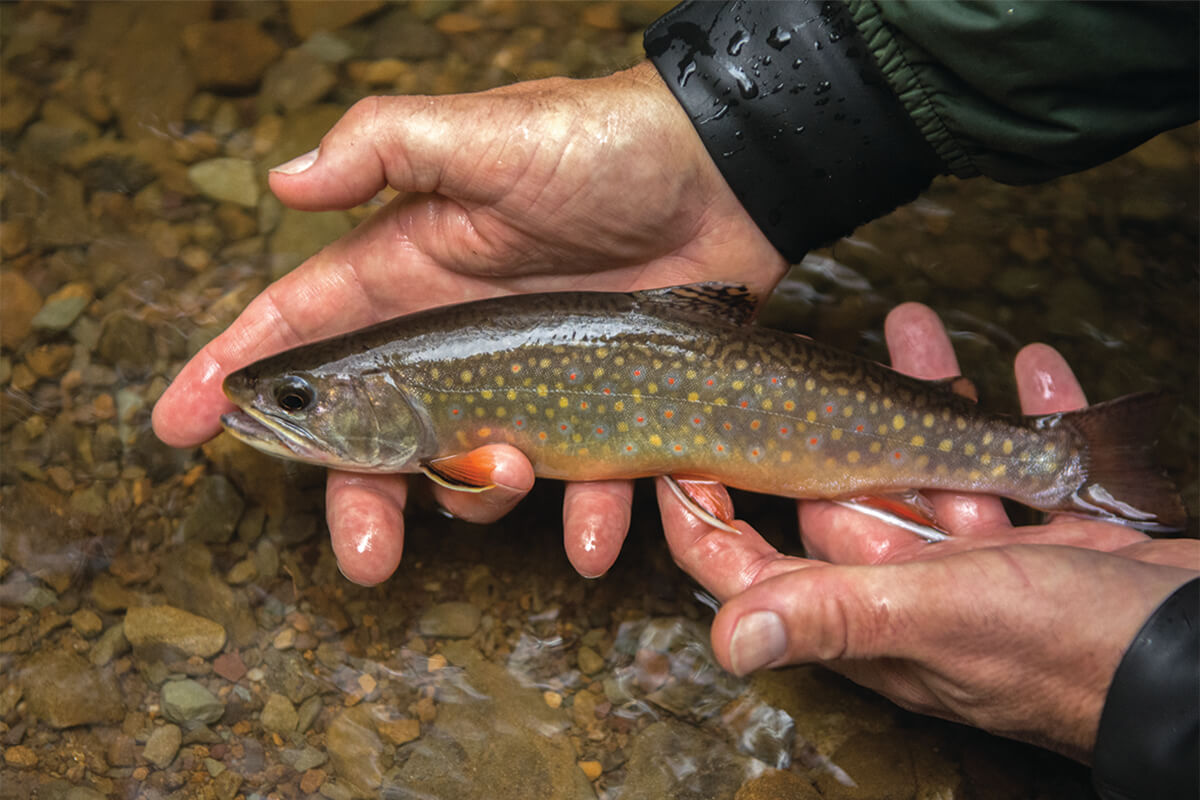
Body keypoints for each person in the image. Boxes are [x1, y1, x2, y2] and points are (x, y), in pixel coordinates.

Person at [152, 2, 1199, 796]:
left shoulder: (448, 436)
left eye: (300, 398)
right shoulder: (436, 410)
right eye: (299, 399)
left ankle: (1065, 460)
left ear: (385, 396)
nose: (280, 411)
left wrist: (1156, 683)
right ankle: (1060, 458)